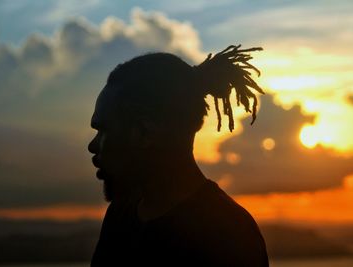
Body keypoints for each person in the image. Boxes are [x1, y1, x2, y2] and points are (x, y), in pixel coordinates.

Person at [88, 45, 269, 266]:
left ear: (145, 133)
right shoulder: (120, 215)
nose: (92, 145)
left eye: (104, 130)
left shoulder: (229, 234)